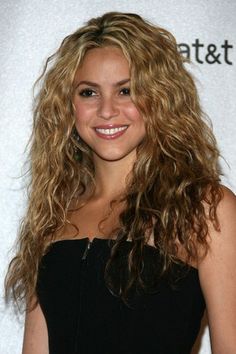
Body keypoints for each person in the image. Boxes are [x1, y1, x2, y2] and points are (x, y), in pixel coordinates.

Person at [4, 11, 236, 354]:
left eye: (125, 90)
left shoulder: (205, 208)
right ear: (69, 106)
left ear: (159, 97)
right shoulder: (53, 212)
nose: (107, 110)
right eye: (88, 93)